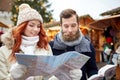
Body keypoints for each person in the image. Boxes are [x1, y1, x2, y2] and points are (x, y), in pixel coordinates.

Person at [0, 3, 82, 80]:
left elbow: (50, 76)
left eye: (38, 26)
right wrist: (13, 77)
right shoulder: (3, 51)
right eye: (31, 25)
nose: (36, 29)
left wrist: (67, 76)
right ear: (22, 26)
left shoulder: (45, 48)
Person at [49, 9, 98, 80]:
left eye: (73, 25)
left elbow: (92, 69)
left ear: (78, 25)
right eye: (66, 26)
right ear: (61, 26)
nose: (70, 30)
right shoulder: (51, 46)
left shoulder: (87, 46)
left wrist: (95, 77)